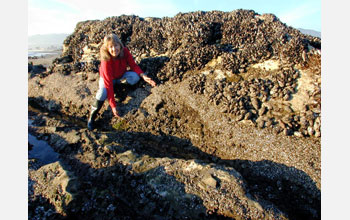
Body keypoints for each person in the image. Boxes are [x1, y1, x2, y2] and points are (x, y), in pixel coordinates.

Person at [87, 33, 156, 130]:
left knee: (135, 77)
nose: (114, 49)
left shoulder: (125, 51)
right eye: (111, 47)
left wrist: (143, 76)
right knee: (102, 93)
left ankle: (119, 88)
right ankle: (91, 118)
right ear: (107, 48)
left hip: (120, 76)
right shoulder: (105, 60)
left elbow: (133, 65)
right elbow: (108, 84)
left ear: (120, 45)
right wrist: (113, 106)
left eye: (116, 45)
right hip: (108, 79)